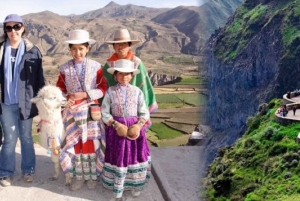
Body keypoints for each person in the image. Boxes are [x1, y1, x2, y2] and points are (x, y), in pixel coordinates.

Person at [56, 29, 107, 191]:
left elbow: (103, 87)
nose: (77, 52)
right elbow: (60, 89)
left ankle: (91, 175)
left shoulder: (96, 67)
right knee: (75, 143)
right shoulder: (64, 68)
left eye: (81, 49)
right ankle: (79, 176)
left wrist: (85, 94)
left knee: (91, 143)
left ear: (88, 48)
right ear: (70, 49)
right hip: (72, 113)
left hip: (90, 112)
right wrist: (66, 98)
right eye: (74, 49)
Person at [0, 14, 45, 186]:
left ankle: (28, 170)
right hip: (5, 103)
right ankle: (5, 172)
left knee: (26, 137)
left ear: (23, 27)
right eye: (9, 28)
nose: (13, 31)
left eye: (16, 27)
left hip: (25, 102)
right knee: (10, 138)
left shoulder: (32, 51)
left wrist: (41, 102)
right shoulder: (0, 49)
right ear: (5, 30)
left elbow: (39, 79)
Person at [101, 59, 151, 200]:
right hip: (117, 131)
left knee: (134, 157)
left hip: (134, 130)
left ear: (132, 75)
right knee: (119, 157)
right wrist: (115, 124)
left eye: (127, 74)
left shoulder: (137, 92)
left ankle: (135, 185)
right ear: (115, 76)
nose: (124, 77)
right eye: (120, 74)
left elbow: (144, 112)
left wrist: (138, 125)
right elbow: (104, 112)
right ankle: (117, 188)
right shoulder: (110, 92)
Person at [103, 28, 158, 128]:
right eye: (117, 44)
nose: (120, 47)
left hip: (135, 115)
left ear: (129, 46)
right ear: (113, 46)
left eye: (124, 44)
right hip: (115, 116)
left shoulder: (137, 63)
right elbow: (104, 87)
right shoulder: (108, 65)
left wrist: (141, 118)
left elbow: (143, 88)